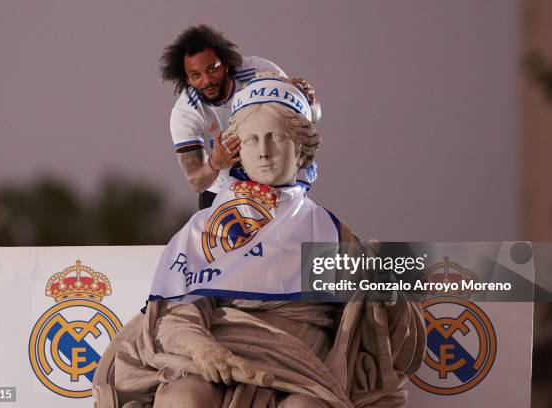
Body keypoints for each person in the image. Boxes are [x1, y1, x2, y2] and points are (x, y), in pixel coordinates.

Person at [93, 77, 424, 408]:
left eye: (276, 138)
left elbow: (384, 331)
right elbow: (177, 311)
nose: (264, 152)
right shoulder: (205, 227)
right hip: (216, 353)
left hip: (300, 365)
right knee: (184, 399)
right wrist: (201, 349)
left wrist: (387, 294)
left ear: (302, 150)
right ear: (238, 151)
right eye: (251, 140)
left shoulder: (325, 231)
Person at [160, 24, 321, 209]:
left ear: (226, 63)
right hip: (220, 193)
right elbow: (196, 181)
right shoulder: (186, 113)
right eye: (196, 75)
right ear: (187, 79)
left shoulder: (258, 71)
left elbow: (309, 119)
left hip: (271, 184)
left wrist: (308, 101)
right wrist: (215, 163)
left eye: (212, 69)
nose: (207, 80)